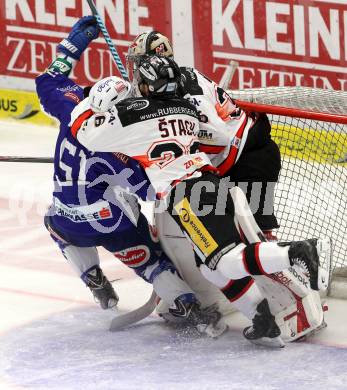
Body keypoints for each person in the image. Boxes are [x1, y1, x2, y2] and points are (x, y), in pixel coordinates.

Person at [70, 54, 324, 347]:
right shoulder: (186, 109)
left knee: (225, 259)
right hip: (211, 184)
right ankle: (262, 318)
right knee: (211, 267)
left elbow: (84, 133)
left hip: (187, 195)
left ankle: (298, 252)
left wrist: (99, 99)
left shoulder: (131, 116)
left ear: (148, 86)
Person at [35, 16, 223, 333]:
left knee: (53, 220)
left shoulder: (74, 106)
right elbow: (150, 192)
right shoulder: (121, 139)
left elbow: (48, 81)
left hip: (69, 219)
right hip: (109, 222)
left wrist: (72, 46)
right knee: (148, 257)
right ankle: (187, 307)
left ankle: (92, 277)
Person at [125, 31, 282, 318]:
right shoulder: (167, 87)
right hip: (231, 162)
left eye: (138, 63)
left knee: (256, 235)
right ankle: (235, 296)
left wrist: (182, 137)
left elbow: (219, 136)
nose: (134, 70)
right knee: (216, 242)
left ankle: (284, 291)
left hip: (250, 158)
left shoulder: (185, 87)